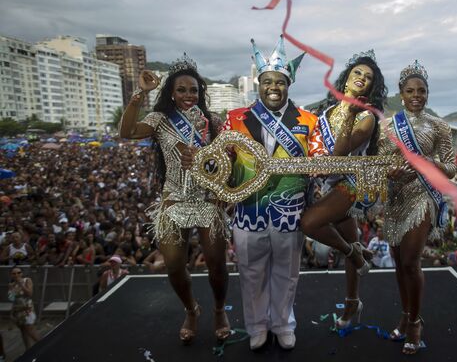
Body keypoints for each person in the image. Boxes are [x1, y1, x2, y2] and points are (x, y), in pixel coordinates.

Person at [119, 55, 230, 344]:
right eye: (181, 90)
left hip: (208, 200)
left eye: (193, 90)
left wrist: (207, 161)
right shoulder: (159, 120)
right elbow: (127, 132)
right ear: (171, 92)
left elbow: (227, 163)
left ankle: (219, 310)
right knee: (173, 266)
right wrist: (141, 93)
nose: (188, 95)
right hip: (173, 201)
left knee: (217, 264)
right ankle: (191, 309)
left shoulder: (213, 123)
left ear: (200, 92)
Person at [224, 36, 326, 350]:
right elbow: (222, 161)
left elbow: (320, 156)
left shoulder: (309, 121)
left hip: (291, 211)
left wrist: (320, 167)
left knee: (287, 273)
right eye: (267, 81)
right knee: (251, 274)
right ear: (259, 83)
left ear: (288, 84)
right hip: (248, 210)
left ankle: (283, 324)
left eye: (279, 82)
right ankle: (256, 326)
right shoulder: (235, 119)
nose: (273, 87)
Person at [299, 50, 387, 329]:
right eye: (358, 72)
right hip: (327, 184)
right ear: (347, 77)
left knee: (309, 223)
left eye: (369, 77)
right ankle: (352, 304)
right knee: (351, 238)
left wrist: (350, 115)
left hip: (352, 183)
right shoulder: (325, 112)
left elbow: (338, 156)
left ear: (373, 87)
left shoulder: (367, 117)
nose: (362, 78)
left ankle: (354, 253)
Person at [375, 60, 456, 354]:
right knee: (399, 263)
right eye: (410, 90)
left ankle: (416, 321)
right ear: (401, 92)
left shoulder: (440, 127)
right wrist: (389, 172)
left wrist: (428, 162)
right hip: (396, 198)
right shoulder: (388, 126)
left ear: (428, 93)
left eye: (421, 90)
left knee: (411, 261)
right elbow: (381, 163)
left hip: (423, 195)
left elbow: (451, 169)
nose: (416, 95)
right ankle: (405, 315)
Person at [8, 267, 41, 349]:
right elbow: (12, 299)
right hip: (17, 311)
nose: (17, 275)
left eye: (19, 272)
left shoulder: (27, 280)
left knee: (31, 330)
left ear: (22, 273)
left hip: (27, 310)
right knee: (23, 331)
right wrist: (11, 314)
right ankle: (28, 351)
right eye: (14, 273)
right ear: (11, 275)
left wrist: (21, 284)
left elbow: (30, 294)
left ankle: (44, 348)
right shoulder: (11, 285)